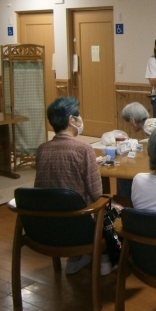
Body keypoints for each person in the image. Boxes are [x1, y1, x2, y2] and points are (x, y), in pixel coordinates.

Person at [34, 97, 109, 275]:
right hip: (77, 228)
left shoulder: (42, 149)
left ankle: (77, 258)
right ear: (71, 120)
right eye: (78, 115)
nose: (80, 119)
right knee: (111, 207)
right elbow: (97, 194)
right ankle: (105, 259)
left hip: (45, 226)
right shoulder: (83, 150)